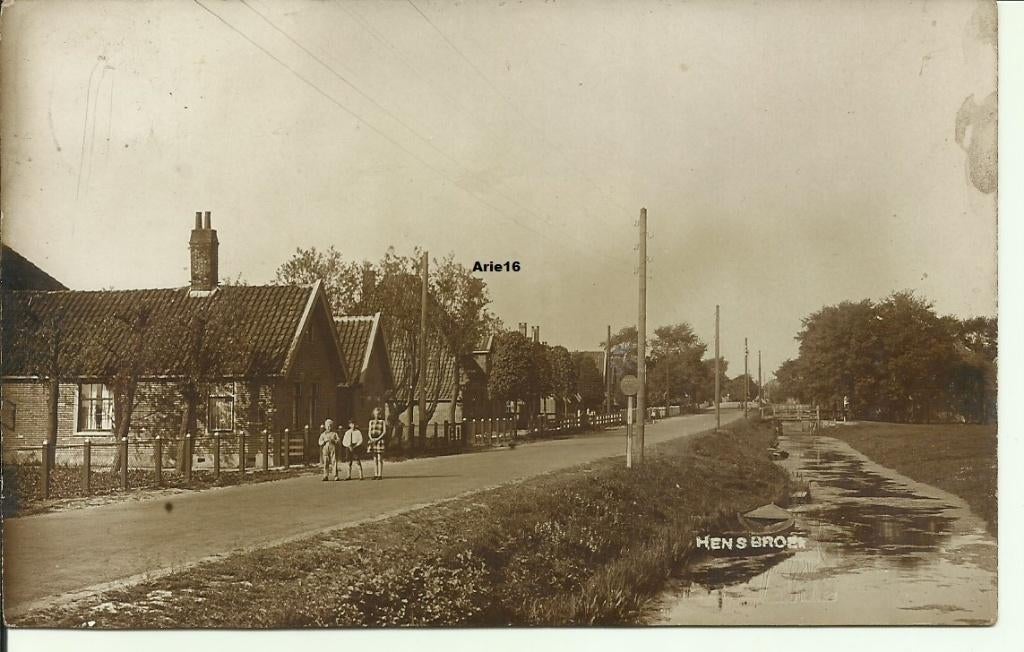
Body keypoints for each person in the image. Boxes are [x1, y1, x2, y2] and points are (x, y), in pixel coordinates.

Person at [366, 407, 387, 480]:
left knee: (379, 458)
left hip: (379, 440)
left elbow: (384, 432)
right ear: (373, 414)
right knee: (374, 458)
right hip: (372, 440)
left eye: (378, 414)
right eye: (375, 414)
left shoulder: (382, 422)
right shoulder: (371, 422)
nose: (377, 415)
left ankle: (380, 474)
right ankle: (375, 474)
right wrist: (371, 439)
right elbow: (369, 432)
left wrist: (378, 438)